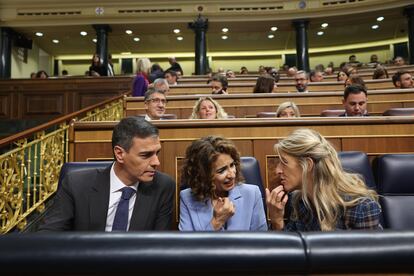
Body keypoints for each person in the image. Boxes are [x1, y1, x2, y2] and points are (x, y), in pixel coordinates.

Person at [38, 117, 176, 231]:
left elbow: (158, 245)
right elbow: (48, 236)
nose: (156, 162)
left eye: (157, 153)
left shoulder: (163, 186)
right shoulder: (76, 184)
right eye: (146, 155)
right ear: (120, 154)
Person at [266, 128, 382, 231]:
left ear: (308, 165)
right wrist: (277, 220)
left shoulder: (361, 208)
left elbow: (370, 255)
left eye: (284, 162)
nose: (277, 170)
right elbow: (290, 252)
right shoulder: (299, 201)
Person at [179, 136, 267, 231]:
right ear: (203, 175)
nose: (232, 175)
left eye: (232, 165)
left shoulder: (252, 194)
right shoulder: (187, 198)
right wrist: (217, 222)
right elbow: (187, 245)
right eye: (221, 170)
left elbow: (261, 242)